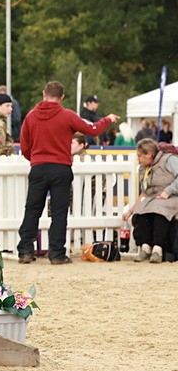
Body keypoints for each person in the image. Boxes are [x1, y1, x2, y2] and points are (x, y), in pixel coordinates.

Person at [16, 81, 117, 264]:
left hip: (38, 167)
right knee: (59, 212)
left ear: (43, 93)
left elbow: (24, 146)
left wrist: (36, 159)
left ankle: (25, 250)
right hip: (61, 168)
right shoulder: (67, 115)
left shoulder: (31, 117)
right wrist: (107, 119)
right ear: (62, 97)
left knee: (32, 209)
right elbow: (92, 129)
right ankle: (56, 254)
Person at [121, 138, 178, 263]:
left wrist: (168, 191)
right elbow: (145, 192)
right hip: (154, 197)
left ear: (149, 154)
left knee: (160, 210)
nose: (138, 159)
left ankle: (158, 249)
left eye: (140, 156)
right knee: (142, 211)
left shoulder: (169, 159)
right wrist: (130, 211)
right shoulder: (144, 168)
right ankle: (145, 247)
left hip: (173, 195)